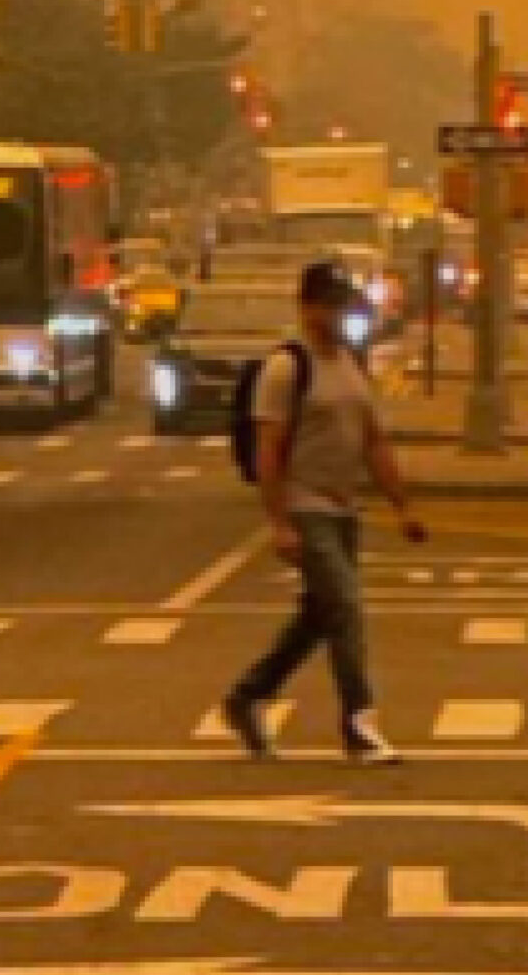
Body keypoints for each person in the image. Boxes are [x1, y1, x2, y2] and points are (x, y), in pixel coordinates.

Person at [219, 259, 427, 764]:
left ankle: (248, 697)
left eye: (343, 303)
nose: (338, 313)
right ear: (307, 305)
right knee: (347, 606)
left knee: (321, 615)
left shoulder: (351, 363)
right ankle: (359, 721)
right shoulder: (287, 366)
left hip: (344, 509)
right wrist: (279, 522)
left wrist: (402, 505)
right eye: (329, 303)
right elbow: (268, 451)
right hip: (305, 506)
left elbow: (373, 440)